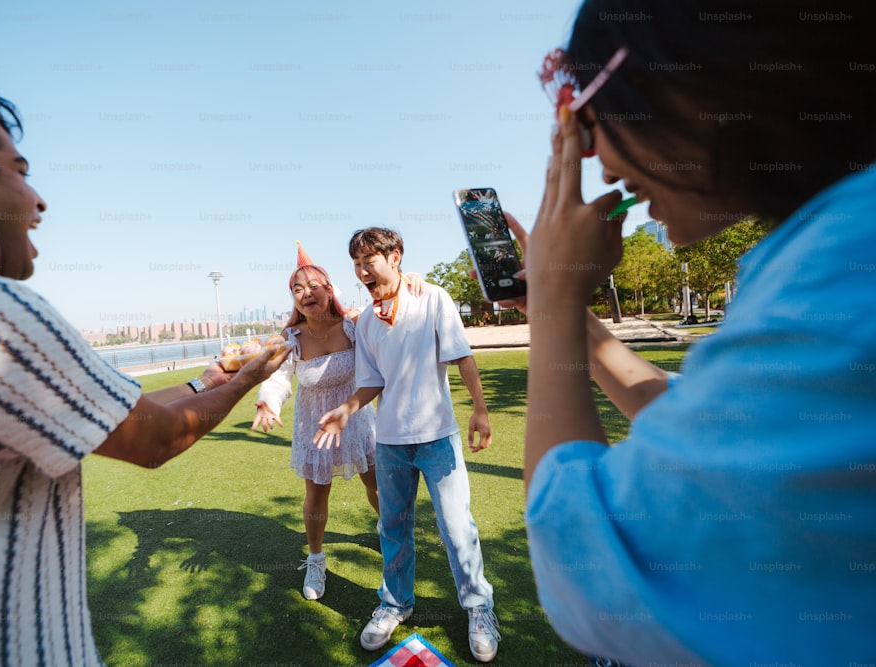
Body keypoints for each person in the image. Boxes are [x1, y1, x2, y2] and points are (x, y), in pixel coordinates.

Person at [0, 47, 289, 667]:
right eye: (18, 170)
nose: (37, 200)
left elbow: (119, 411)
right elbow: (149, 439)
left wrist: (209, 383)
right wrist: (244, 382)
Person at [510, 2, 876, 664]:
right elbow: (706, 416)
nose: (599, 164)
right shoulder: (837, 238)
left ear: (678, 78)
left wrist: (557, 303)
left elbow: (592, 575)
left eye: (587, 120)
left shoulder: (839, 275)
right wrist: (562, 302)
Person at [314, 227, 501, 663]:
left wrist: (480, 408)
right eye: (356, 264)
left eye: (369, 261)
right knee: (393, 530)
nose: (362, 271)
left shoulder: (433, 297)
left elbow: (461, 354)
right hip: (391, 444)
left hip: (439, 438)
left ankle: (479, 608)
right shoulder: (365, 323)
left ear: (394, 257)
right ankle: (395, 603)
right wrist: (345, 410)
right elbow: (371, 382)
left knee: (458, 530)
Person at [252, 243, 424, 601]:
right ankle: (316, 560)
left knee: (377, 486)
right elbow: (280, 379)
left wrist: (407, 283)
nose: (305, 294)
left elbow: (396, 317)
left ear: (330, 290)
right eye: (297, 289)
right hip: (314, 430)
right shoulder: (292, 338)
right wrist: (268, 403)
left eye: (313, 285)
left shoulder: (355, 324)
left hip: (358, 420)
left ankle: (389, 533)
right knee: (316, 495)